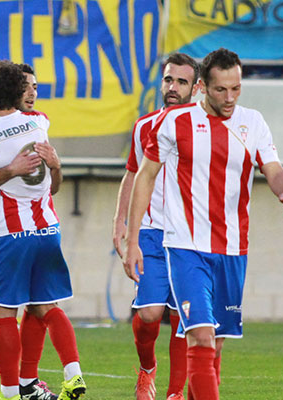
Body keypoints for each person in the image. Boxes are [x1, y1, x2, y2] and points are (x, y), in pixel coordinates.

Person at [123, 48, 283, 399]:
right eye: (221, 90)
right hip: (185, 248)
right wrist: (131, 240)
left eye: (236, 89)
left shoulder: (254, 123)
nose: (230, 98)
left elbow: (273, 168)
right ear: (203, 86)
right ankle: (151, 374)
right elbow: (143, 177)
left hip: (232, 250)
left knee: (214, 348)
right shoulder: (174, 123)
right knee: (199, 335)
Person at [0, 60, 86, 400]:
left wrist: (15, 170)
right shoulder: (15, 129)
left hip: (8, 234)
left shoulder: (17, 128)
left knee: (21, 308)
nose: (33, 94)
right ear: (16, 91)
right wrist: (11, 170)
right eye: (28, 88)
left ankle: (21, 386)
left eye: (36, 88)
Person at [112, 53, 199, 400]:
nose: (173, 87)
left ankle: (175, 392)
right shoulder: (144, 125)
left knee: (184, 317)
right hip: (149, 232)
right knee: (149, 314)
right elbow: (132, 174)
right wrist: (120, 222)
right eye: (168, 80)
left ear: (196, 87)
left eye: (181, 81)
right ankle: (147, 369)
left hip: (191, 236)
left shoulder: (204, 128)